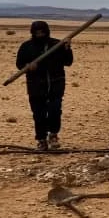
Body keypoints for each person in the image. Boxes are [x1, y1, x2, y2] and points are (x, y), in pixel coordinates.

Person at [15, 20, 73, 151]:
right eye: (37, 32)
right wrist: (27, 66)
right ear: (33, 33)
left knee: (55, 109)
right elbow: (19, 64)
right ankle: (41, 140)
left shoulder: (57, 45)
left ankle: (53, 135)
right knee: (38, 113)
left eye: (42, 32)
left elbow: (68, 62)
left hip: (56, 82)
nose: (40, 35)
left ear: (47, 32)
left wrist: (67, 48)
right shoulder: (26, 46)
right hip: (35, 85)